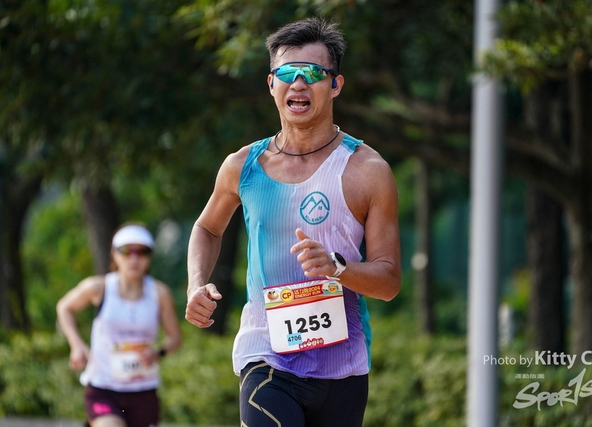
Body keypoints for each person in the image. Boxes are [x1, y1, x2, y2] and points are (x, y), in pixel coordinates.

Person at [185, 17, 401, 427]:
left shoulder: (368, 171)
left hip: (343, 366)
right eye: (287, 73)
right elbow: (207, 228)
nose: (298, 83)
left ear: (335, 85)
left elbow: (389, 282)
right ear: (271, 84)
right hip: (266, 356)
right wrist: (196, 284)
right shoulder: (242, 166)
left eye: (314, 73)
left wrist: (337, 268)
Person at [57, 222, 182, 427]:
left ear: (150, 256)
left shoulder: (160, 293)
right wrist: (76, 344)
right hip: (103, 388)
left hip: (143, 391)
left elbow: (175, 338)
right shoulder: (99, 287)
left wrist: (158, 352)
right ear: (114, 254)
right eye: (126, 251)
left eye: (142, 252)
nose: (134, 259)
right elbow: (64, 307)